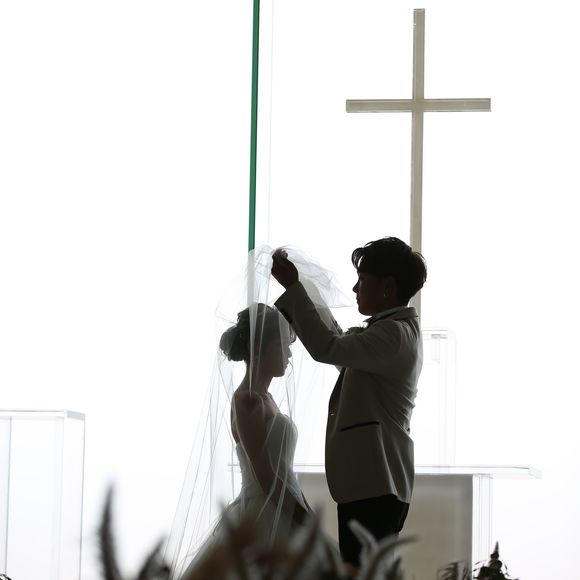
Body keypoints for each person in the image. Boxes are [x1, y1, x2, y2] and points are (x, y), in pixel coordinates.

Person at [165, 247, 346, 579]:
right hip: (262, 515)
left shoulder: (268, 399)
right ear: (262, 347)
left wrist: (306, 515)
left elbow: (285, 476)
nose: (289, 354)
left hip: (284, 507)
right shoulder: (246, 400)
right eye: (284, 345)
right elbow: (266, 476)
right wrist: (304, 520)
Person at [271, 237, 427, 574]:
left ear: (387, 287)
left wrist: (294, 289)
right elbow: (341, 346)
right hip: (374, 482)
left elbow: (328, 347)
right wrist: (303, 293)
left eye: (363, 280)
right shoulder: (392, 331)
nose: (355, 289)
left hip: (376, 482)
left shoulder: (393, 335)